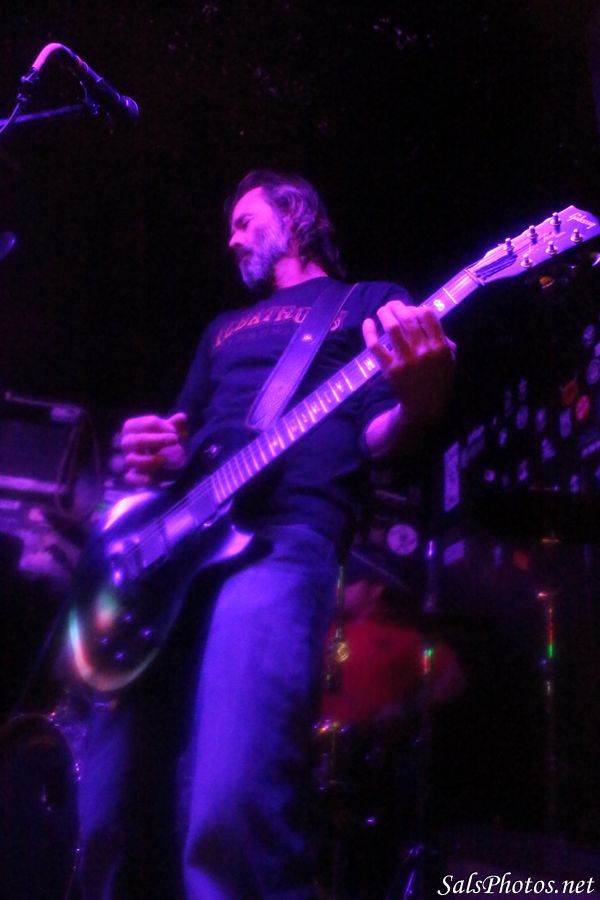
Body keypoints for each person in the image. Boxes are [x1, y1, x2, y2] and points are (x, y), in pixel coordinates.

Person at [77, 170, 455, 899]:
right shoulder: (220, 329)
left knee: (233, 815)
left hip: (285, 540)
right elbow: (184, 442)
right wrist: (154, 450)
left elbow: (378, 434)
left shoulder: (366, 302)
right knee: (111, 813)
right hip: (175, 552)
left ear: (295, 215)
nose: (231, 239)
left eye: (246, 220)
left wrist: (421, 401)